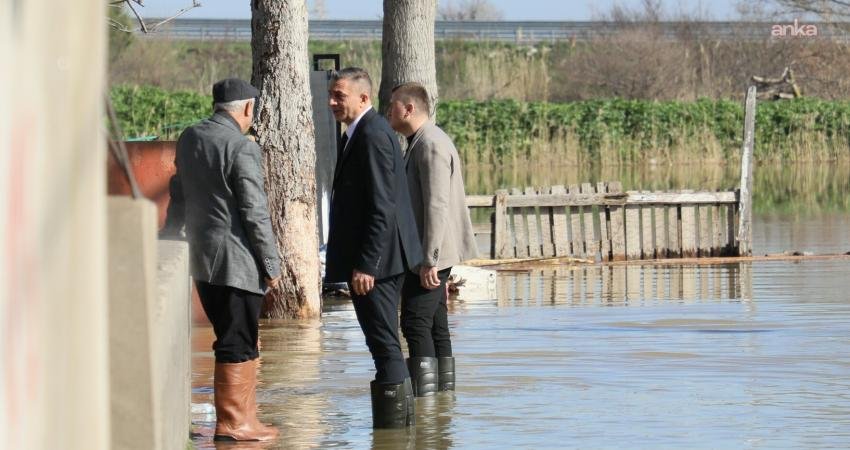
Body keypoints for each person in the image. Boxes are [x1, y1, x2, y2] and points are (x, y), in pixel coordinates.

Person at [161, 78, 281, 442]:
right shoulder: (240, 148)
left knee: (229, 337)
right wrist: (271, 265)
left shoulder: (191, 137)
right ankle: (233, 423)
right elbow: (254, 211)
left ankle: (243, 418)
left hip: (202, 257)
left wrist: (168, 233)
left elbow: (178, 190)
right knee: (238, 340)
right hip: (237, 261)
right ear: (247, 108)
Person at [324, 67, 423, 428]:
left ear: (363, 98)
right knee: (381, 344)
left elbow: (383, 206)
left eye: (340, 96)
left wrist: (367, 264)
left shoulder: (374, 134)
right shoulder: (359, 132)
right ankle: (393, 430)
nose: (332, 102)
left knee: (384, 344)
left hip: (377, 265)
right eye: (331, 95)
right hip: (372, 262)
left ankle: (396, 432)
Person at [387, 82, 478, 397]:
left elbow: (437, 204)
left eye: (392, 105)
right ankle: (442, 401)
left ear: (409, 109)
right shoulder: (421, 141)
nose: (388, 111)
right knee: (436, 323)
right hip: (429, 253)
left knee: (413, 323)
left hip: (432, 255)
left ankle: (425, 404)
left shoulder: (430, 144)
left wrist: (430, 259)